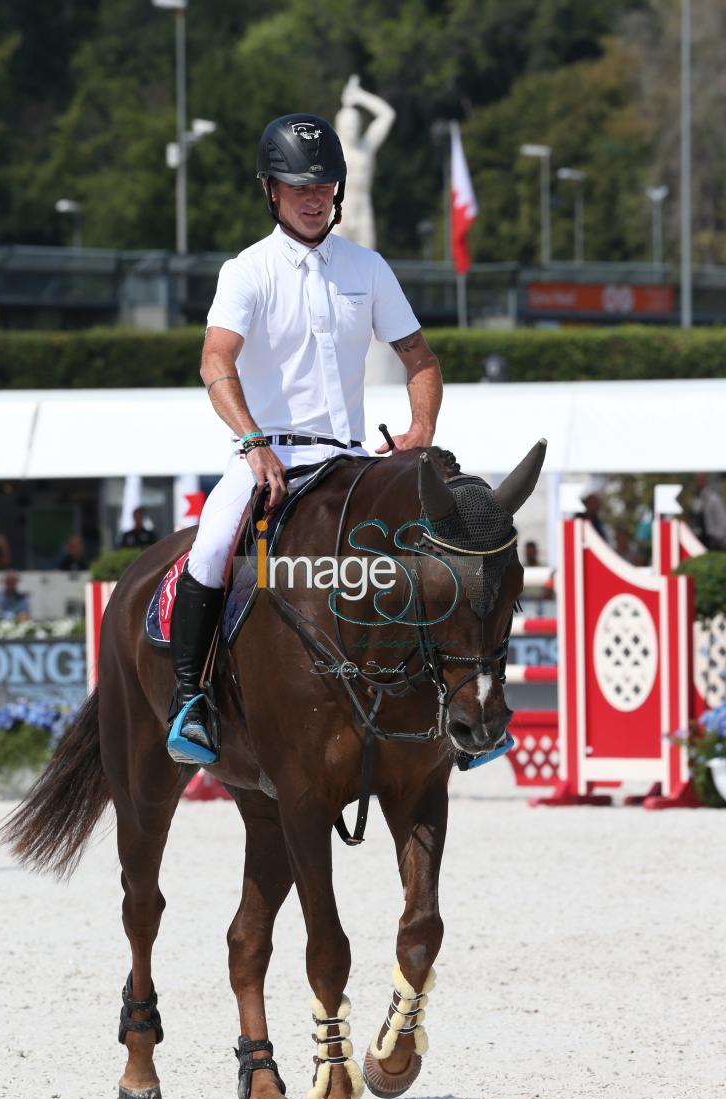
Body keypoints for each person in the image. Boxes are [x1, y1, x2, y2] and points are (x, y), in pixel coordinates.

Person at [166, 111, 442, 764]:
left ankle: (455, 697)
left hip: (348, 457)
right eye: (299, 188)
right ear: (272, 191)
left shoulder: (368, 268)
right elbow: (215, 363)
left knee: (439, 542)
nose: (313, 200)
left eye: (323, 188)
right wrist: (251, 441)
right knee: (209, 545)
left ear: (338, 192)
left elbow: (420, 358)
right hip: (270, 455)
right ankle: (190, 700)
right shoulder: (248, 272)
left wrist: (421, 432)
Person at [333, 76, 395, 249]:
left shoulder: (366, 148)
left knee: (368, 261)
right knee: (333, 259)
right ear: (339, 127)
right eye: (348, 126)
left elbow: (387, 115)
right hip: (339, 208)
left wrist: (359, 96)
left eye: (355, 126)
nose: (352, 130)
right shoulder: (333, 150)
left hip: (363, 208)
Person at [689, 473, 726, 550]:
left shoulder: (713, 499)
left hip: (713, 542)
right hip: (700, 541)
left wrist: (716, 537)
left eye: (699, 480)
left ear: (704, 480)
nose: (696, 483)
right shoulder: (697, 499)